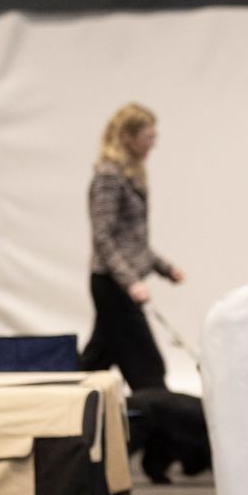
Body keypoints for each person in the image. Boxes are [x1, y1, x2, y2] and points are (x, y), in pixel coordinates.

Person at [80, 102, 184, 392]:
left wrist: (165, 268)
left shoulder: (128, 176)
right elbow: (103, 237)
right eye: (148, 137)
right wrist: (130, 282)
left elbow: (134, 242)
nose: (153, 143)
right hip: (113, 285)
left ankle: (62, 404)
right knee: (148, 369)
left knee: (94, 361)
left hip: (119, 285)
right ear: (128, 137)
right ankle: (158, 417)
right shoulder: (108, 177)